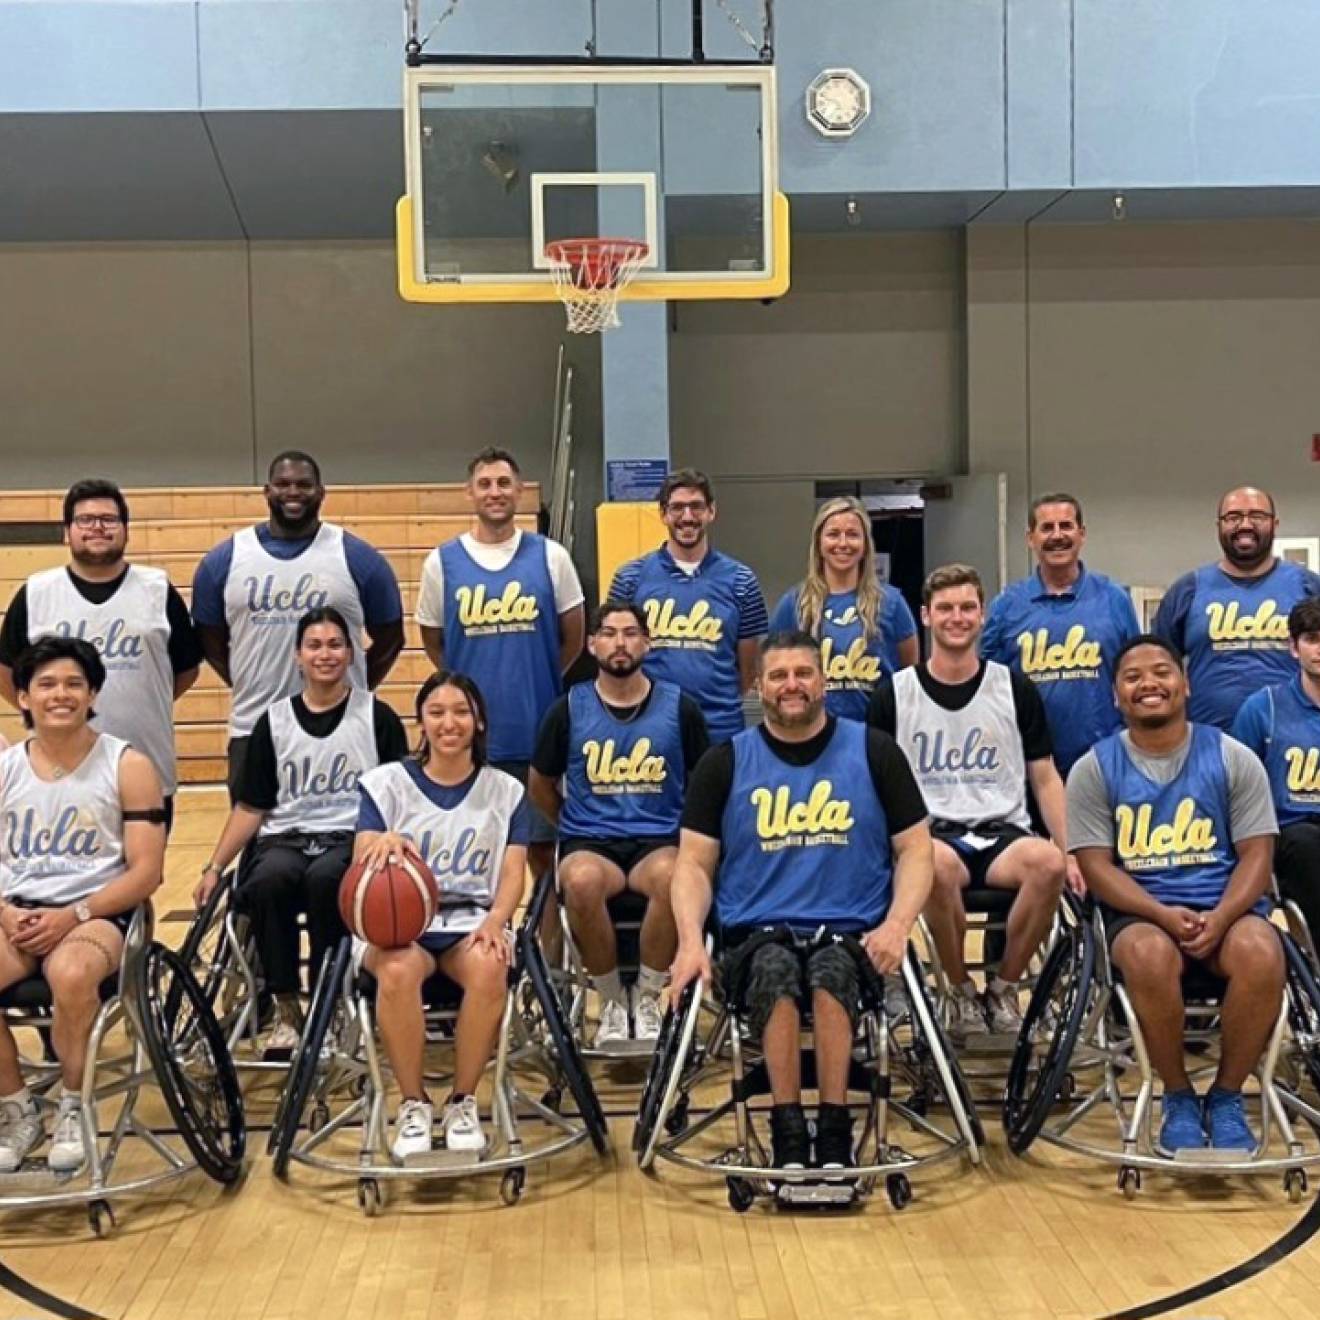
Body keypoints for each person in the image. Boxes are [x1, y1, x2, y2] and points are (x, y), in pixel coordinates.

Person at [669, 632, 932, 1171]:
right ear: (757, 686)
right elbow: (693, 865)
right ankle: (787, 1127)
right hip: (755, 935)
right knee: (774, 971)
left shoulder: (875, 750)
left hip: (854, 933)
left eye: (803, 674)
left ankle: (835, 1128)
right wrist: (691, 943)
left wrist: (899, 924)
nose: (792, 685)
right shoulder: (724, 762)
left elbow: (916, 849)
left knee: (832, 970)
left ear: (824, 681)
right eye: (779, 675)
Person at [1068, 634, 1282, 1154]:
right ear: (1116, 695)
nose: (1149, 684)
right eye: (1133, 676)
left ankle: (1228, 1095)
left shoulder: (1232, 757)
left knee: (1261, 950)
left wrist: (1223, 914)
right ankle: (1179, 1094)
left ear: (1185, 684)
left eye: (1161, 672)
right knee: (1147, 953)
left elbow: (1257, 854)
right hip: (1139, 912)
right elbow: (1096, 868)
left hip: (1225, 908)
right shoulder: (1092, 769)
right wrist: (1162, 914)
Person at [868, 564, 1080, 1041]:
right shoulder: (894, 695)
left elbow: (1044, 777)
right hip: (933, 833)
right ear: (926, 616)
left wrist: (1069, 851)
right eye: (945, 608)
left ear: (982, 615)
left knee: (1047, 863)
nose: (956, 617)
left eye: (967, 607)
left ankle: (1003, 988)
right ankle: (959, 991)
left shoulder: (1013, 687)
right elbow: (875, 788)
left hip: (1003, 834)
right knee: (934, 865)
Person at [193, 607, 408, 1055]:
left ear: (351, 654)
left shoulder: (378, 717)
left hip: (350, 840)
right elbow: (252, 805)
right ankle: (287, 1008)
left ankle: (330, 1007)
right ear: (297, 656)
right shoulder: (273, 722)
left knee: (326, 879)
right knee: (268, 880)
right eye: (315, 645)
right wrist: (214, 867)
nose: (325, 654)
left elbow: (398, 797)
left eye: (335, 645)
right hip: (285, 838)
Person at [0, 637, 166, 1173]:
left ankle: (74, 1104)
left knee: (71, 974)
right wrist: (5, 911)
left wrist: (73, 915)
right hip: (18, 909)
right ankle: (16, 1108)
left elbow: (146, 870)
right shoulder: (5, 768)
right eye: (46, 684)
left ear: (93, 692)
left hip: (96, 910)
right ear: (23, 697)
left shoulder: (127, 764)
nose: (60, 694)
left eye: (74, 683)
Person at [354, 672, 529, 1161]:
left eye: (460, 711)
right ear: (421, 722)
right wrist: (380, 843)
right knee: (395, 970)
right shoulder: (385, 784)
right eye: (437, 712)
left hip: (471, 918)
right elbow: (360, 850)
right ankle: (412, 1103)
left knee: (491, 965)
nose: (448, 722)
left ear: (478, 722)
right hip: (400, 928)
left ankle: (463, 1100)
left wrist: (497, 920)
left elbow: (514, 872)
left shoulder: (507, 791)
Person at [529, 602, 708, 1047]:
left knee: (674, 876)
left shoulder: (680, 707)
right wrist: (570, 822)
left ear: (647, 642)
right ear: (591, 644)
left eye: (631, 633)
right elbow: (540, 784)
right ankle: (611, 1000)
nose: (620, 643)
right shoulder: (568, 708)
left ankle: (647, 997)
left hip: (658, 839)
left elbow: (705, 783)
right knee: (581, 879)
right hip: (592, 840)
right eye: (608, 633)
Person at [191, 451, 404, 801]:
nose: (293, 492)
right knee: (255, 843)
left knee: (350, 840)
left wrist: (354, 683)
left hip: (345, 727)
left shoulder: (357, 557)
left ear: (321, 493)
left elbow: (391, 637)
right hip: (254, 725)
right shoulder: (224, 560)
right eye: (283, 484)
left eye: (304, 485)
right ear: (266, 491)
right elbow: (209, 640)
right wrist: (246, 679)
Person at [415, 447, 584, 877]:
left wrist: (535, 678)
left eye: (504, 483)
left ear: (520, 491)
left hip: (537, 736)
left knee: (544, 858)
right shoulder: (442, 562)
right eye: (485, 484)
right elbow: (435, 642)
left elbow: (574, 639)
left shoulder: (551, 557)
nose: (495, 492)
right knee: (476, 859)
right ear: (469, 492)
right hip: (469, 742)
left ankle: (548, 949)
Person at [0, 479, 201, 832]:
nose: (97, 527)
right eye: (85, 520)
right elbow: (5, 671)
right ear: (67, 532)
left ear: (126, 530)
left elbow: (185, 669)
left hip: (146, 761)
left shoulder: (157, 589)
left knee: (142, 878)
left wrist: (142, 700)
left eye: (109, 520)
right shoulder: (36, 592)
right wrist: (51, 712)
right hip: (59, 769)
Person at [981, 493, 1139, 778]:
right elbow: (987, 689)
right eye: (1047, 528)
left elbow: (1136, 674)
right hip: (1029, 767)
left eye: (1065, 526)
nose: (1057, 536)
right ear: (1031, 538)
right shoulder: (1006, 607)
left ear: (1082, 534)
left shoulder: (1114, 599)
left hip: (1106, 764)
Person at [608, 469, 768, 745]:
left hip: (720, 727)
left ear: (711, 512)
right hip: (649, 725)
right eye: (677, 508)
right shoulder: (630, 578)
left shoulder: (741, 580)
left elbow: (748, 669)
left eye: (696, 507)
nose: (687, 517)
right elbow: (614, 651)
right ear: (663, 514)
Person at [1154, 486, 1320, 731]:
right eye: (1233, 517)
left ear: (1275, 523)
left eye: (1257, 516)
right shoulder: (1188, 590)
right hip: (1209, 744)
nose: (1245, 525)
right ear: (1219, 526)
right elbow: (1157, 666)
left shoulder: (1308, 586)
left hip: (1294, 745)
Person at [769, 496, 918, 721]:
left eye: (852, 534)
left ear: (866, 544)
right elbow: (773, 674)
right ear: (819, 542)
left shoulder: (892, 603)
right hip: (809, 736)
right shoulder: (794, 604)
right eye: (833, 534)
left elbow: (909, 676)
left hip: (875, 736)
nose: (843, 543)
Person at [1232, 598, 1320, 945]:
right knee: (1307, 844)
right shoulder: (1262, 707)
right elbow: (1234, 789)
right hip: (1289, 836)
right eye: (1312, 638)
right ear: (1294, 648)